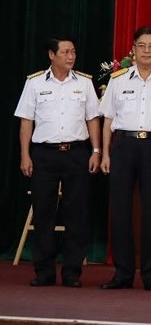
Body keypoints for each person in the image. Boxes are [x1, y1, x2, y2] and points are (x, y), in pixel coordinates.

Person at [14, 37, 101, 287]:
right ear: (51, 55)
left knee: (78, 213)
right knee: (43, 213)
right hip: (44, 154)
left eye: (73, 51)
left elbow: (92, 118)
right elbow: (26, 121)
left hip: (76, 153)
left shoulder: (84, 83)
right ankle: (44, 271)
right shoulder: (35, 83)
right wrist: (25, 155)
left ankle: (72, 271)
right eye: (65, 52)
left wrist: (95, 150)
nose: (71, 56)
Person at [99, 27, 151, 291]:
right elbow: (108, 119)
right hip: (123, 146)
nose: (146, 51)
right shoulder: (118, 80)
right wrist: (105, 153)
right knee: (120, 210)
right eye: (141, 46)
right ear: (133, 49)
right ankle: (122, 273)